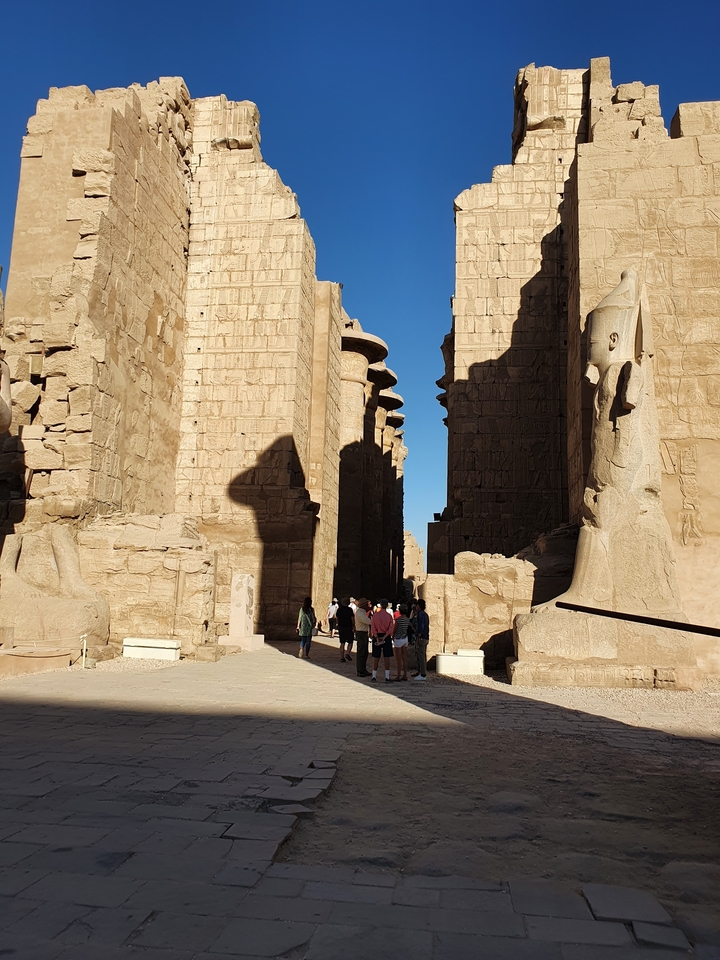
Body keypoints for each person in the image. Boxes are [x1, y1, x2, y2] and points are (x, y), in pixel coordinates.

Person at [370, 598, 394, 683]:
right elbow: (391, 628)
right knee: (386, 657)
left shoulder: (375, 616)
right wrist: (384, 637)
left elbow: (373, 627)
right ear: (387, 605)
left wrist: (377, 637)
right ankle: (387, 677)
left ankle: (374, 676)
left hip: (377, 635)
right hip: (386, 637)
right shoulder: (389, 616)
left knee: (376, 657)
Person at [391, 603, 413, 681]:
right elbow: (411, 627)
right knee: (404, 657)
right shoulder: (407, 620)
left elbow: (394, 630)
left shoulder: (398, 620)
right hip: (405, 638)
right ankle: (405, 675)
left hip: (398, 639)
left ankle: (398, 675)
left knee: (398, 658)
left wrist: (393, 636)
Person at [354, 598, 372, 677]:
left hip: (364, 633)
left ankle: (363, 669)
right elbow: (368, 621)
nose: (369, 606)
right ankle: (360, 670)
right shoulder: (360, 612)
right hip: (361, 633)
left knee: (365, 652)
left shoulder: (363, 612)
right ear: (363, 605)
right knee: (361, 652)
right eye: (367, 604)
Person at [413, 598, 429, 681]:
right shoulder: (425, 614)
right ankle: (422, 672)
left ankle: (423, 674)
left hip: (421, 637)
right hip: (425, 636)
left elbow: (421, 626)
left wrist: (419, 636)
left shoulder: (420, 614)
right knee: (423, 655)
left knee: (421, 656)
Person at [336, 597, 355, 662]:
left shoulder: (339, 609)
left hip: (341, 627)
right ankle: (348, 653)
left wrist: (337, 624)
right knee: (350, 642)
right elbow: (352, 619)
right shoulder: (350, 610)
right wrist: (354, 625)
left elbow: (337, 618)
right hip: (348, 627)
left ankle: (342, 658)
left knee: (342, 643)